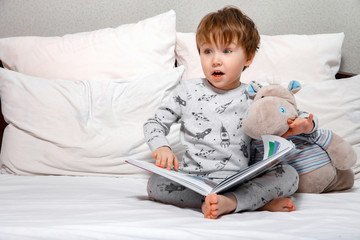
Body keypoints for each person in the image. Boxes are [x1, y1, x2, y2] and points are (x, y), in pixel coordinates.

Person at [143, 6, 316, 219]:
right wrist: (161, 146)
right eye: (207, 51)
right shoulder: (187, 91)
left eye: (226, 51)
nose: (215, 60)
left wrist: (306, 124)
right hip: (195, 180)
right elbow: (154, 123)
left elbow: (293, 111)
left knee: (289, 175)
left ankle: (233, 201)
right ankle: (241, 202)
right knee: (154, 184)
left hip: (241, 179)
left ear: (249, 57)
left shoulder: (255, 94)